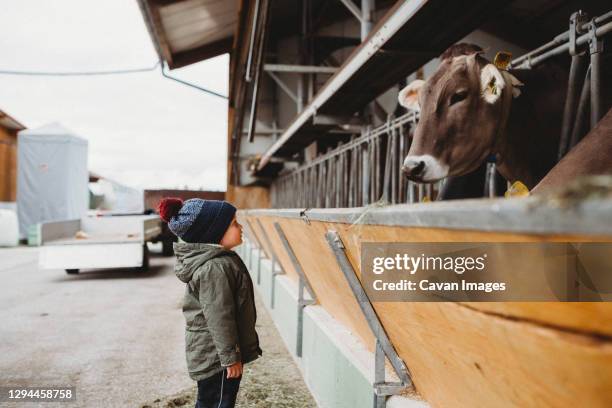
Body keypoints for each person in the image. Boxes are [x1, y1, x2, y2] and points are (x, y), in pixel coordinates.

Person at [157, 197, 261, 408]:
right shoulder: (214, 268)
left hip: (214, 353)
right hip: (216, 358)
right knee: (218, 402)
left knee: (211, 401)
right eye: (233, 223)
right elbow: (219, 316)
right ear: (214, 232)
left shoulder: (219, 261)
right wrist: (230, 358)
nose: (240, 227)